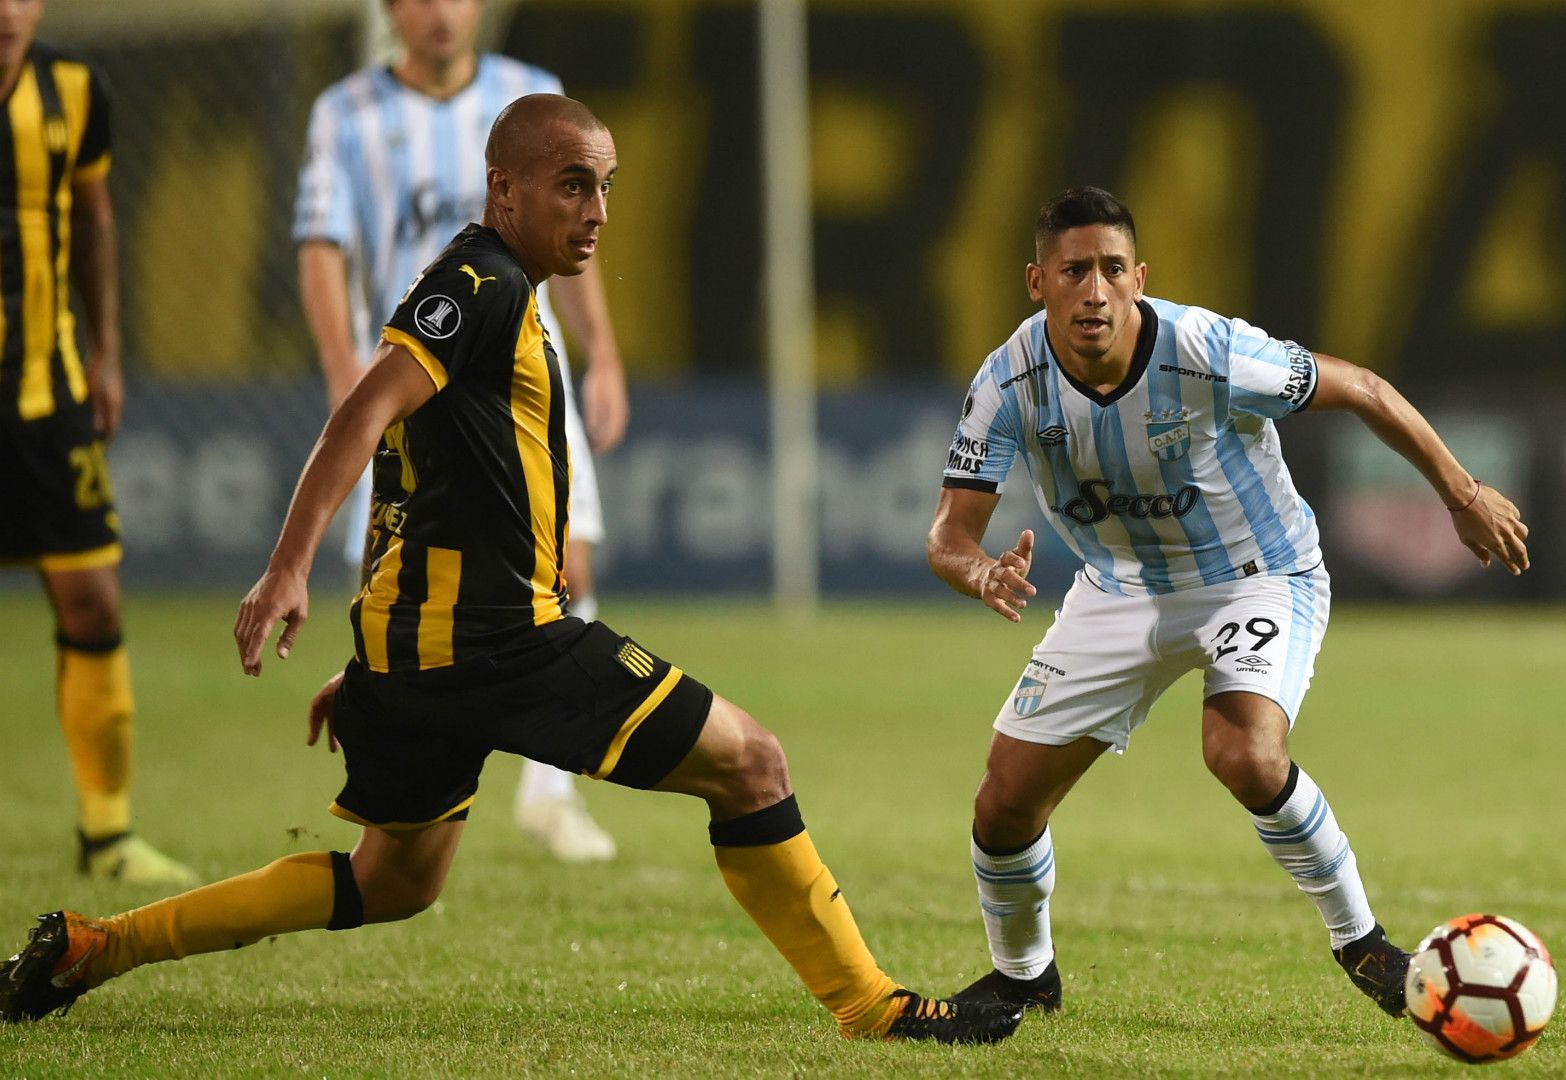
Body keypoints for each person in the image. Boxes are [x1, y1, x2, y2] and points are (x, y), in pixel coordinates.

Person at [0, 94, 1022, 1045]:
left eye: (608, 185)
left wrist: (379, 656)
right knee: (752, 763)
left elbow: (412, 477)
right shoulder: (479, 283)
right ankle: (872, 1006)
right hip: (504, 645)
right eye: (573, 183)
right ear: (506, 189)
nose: (599, 211)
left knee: (394, 882)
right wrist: (285, 571)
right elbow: (361, 413)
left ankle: (100, 946)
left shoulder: (506, 292)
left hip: (427, 658)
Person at [927, 187, 1531, 1017]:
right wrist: (979, 573)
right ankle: (1023, 978)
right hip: (1121, 589)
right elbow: (948, 534)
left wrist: (1461, 494)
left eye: (1111, 269)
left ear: (1139, 276)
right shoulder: (1008, 382)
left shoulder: (1205, 350)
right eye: (1074, 271)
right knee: (1002, 803)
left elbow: (1363, 388)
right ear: (1038, 282)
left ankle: (1362, 943)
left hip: (1257, 573)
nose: (1094, 290)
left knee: (1243, 754)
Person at [294, 0, 626, 862]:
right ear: (390, 11)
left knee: (570, 558)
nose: (441, 12)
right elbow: (322, 244)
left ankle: (549, 794)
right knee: (400, 563)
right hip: (412, 377)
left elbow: (574, 236)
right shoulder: (346, 113)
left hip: (519, 376)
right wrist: (342, 368)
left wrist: (606, 354)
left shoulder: (532, 95)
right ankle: (406, 768)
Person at [0, 0, 195, 887]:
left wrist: (108, 353)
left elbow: (95, 215)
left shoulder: (75, 89)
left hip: (47, 399)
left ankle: (108, 834)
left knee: (94, 605)